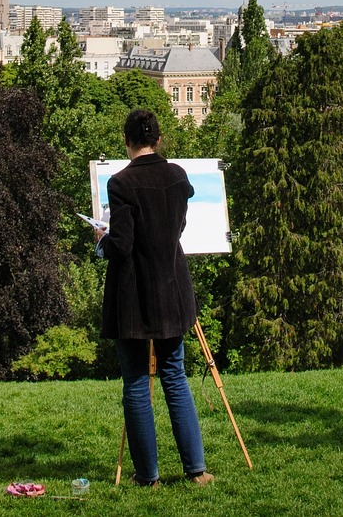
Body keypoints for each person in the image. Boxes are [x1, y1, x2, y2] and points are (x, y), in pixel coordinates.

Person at [94, 108, 213, 486]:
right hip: (172, 288)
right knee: (174, 375)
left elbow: (123, 244)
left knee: (135, 383)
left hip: (134, 294)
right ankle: (196, 470)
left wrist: (102, 243)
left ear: (126, 141)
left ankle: (148, 476)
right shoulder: (178, 177)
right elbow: (175, 227)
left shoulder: (120, 183)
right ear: (158, 139)